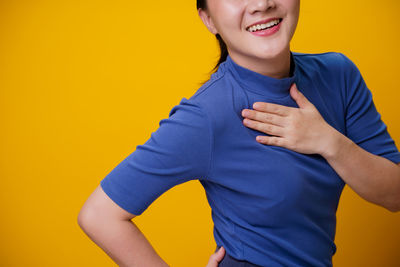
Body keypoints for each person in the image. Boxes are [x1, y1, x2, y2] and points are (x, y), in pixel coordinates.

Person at [78, 0, 400, 266]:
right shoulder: (208, 114)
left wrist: (330, 142)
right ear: (208, 20)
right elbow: (99, 216)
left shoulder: (337, 75)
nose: (262, 4)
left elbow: (394, 194)